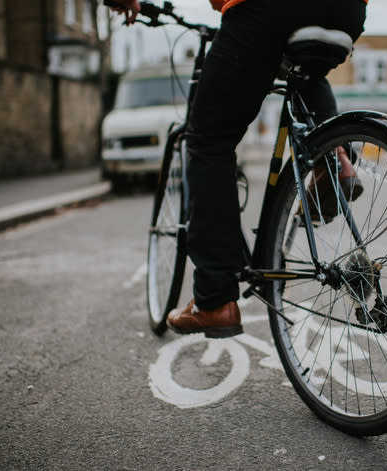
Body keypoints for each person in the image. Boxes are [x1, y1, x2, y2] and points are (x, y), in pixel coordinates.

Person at [108, 0, 368, 338]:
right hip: (346, 10)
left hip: (265, 9)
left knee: (206, 142)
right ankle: (334, 161)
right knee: (305, 73)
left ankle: (215, 300)